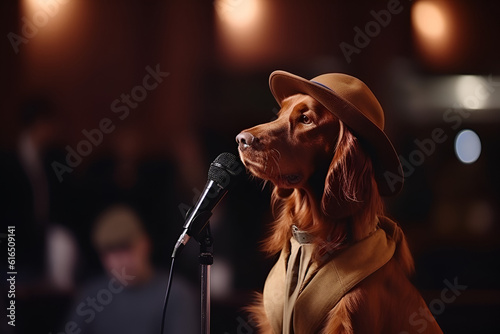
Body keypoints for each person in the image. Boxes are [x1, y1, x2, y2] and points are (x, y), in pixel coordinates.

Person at [66, 205, 199, 334]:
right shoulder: (91, 295)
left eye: (126, 247)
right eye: (111, 251)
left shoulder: (176, 295)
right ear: (101, 257)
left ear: (145, 244)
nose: (121, 260)